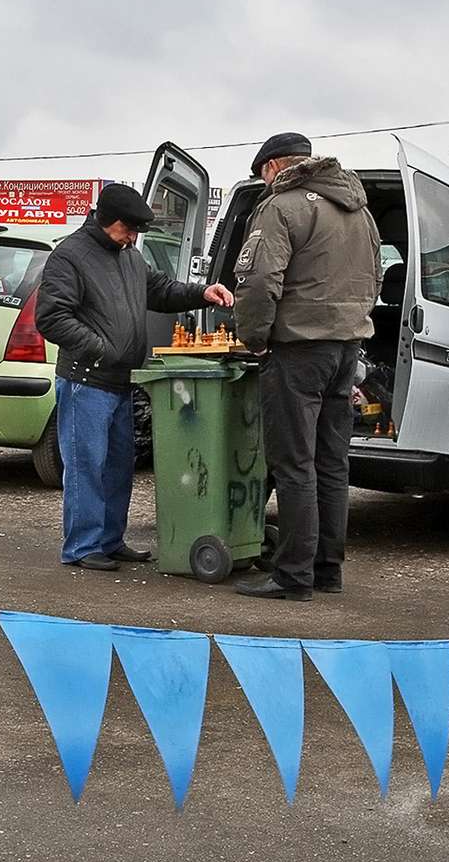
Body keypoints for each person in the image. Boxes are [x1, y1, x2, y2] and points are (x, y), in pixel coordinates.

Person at [36, 183, 234, 571]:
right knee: (86, 466)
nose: (133, 238)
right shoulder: (69, 256)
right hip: (85, 379)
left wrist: (201, 293)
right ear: (108, 220)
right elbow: (52, 318)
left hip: (122, 380)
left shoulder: (128, 255)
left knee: (119, 464)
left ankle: (110, 540)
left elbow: (158, 289)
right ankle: (82, 546)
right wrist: (101, 348)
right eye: (129, 229)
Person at [232, 133, 381, 601]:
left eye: (262, 175)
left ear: (274, 166)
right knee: (332, 463)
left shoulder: (283, 207)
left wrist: (253, 337)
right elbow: (375, 276)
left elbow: (258, 280)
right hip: (346, 349)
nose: (263, 183)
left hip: (298, 350)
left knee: (294, 464)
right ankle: (327, 571)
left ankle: (292, 575)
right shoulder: (360, 210)